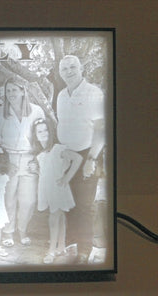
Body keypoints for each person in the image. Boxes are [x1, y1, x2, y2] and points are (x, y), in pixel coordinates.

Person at [56, 55, 105, 257]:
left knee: (84, 206)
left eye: (73, 67)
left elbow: (101, 128)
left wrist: (91, 159)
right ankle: (72, 246)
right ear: (60, 73)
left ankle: (85, 252)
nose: (69, 71)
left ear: (81, 68)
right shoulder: (61, 95)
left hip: (86, 155)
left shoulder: (94, 93)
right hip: (66, 157)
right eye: (65, 68)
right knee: (68, 204)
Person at [0, 76, 45, 247]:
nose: (11, 93)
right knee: (8, 199)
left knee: (28, 200)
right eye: (8, 90)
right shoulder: (0, 112)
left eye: (14, 89)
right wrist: (6, 162)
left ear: (23, 91)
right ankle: (8, 233)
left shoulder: (36, 111)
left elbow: (43, 138)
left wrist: (37, 159)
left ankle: (23, 231)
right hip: (9, 159)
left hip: (29, 160)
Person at [31, 118, 83, 264]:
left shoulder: (57, 149)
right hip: (48, 189)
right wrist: (36, 171)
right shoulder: (40, 154)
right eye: (39, 131)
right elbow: (46, 172)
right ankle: (61, 246)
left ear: (51, 131)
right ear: (35, 135)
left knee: (54, 218)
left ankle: (51, 251)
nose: (43, 133)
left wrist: (67, 178)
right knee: (59, 217)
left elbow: (77, 158)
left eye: (46, 130)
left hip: (58, 188)